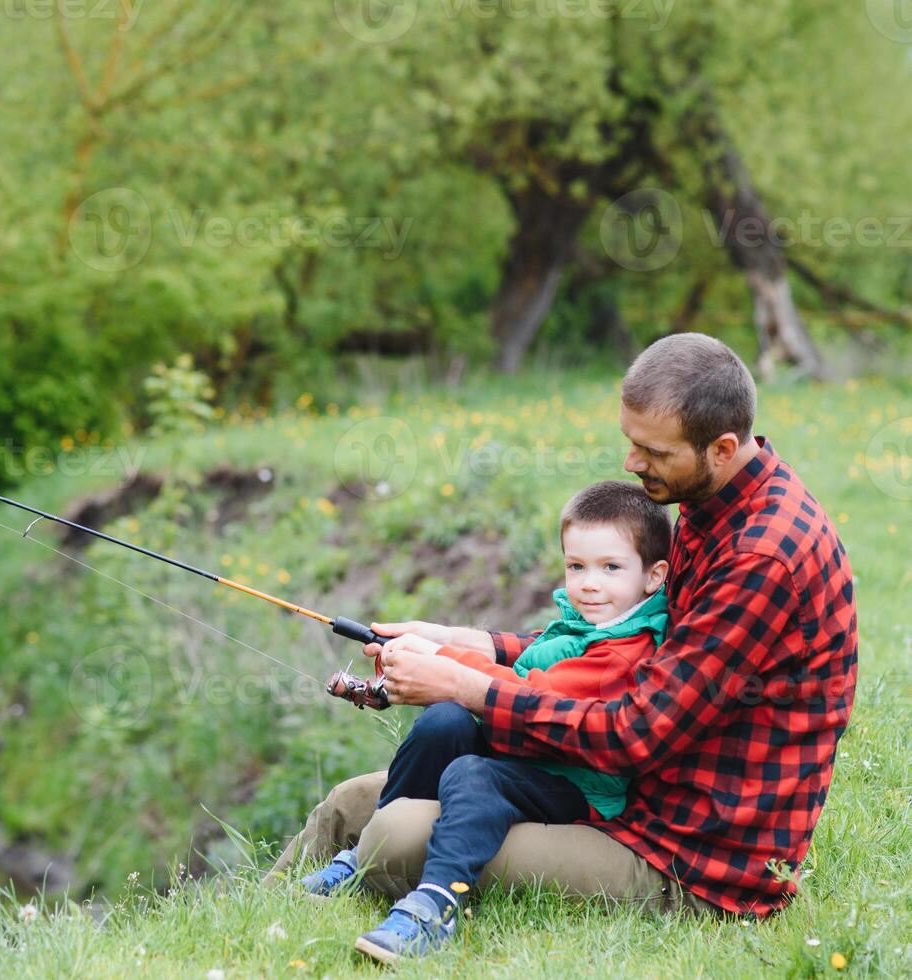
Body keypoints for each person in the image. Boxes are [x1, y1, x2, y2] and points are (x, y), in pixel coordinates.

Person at [267, 333, 857, 963]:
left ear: (722, 447)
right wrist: (473, 645)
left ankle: (414, 908)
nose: (632, 461)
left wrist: (464, 684)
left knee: (393, 829)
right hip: (627, 789)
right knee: (351, 800)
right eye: (631, 441)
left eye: (653, 450)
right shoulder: (712, 501)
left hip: (685, 853)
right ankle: (263, 913)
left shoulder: (759, 558)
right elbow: (622, 646)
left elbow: (634, 732)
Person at [299, 481, 671, 964]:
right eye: (576, 566)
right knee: (445, 720)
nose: (589, 583)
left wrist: (441, 663)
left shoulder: (627, 648)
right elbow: (528, 658)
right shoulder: (589, 619)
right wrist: (429, 649)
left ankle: (434, 904)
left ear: (653, 576)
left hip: (578, 785)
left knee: (472, 774)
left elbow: (535, 691)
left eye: (610, 568)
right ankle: (358, 857)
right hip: (530, 752)